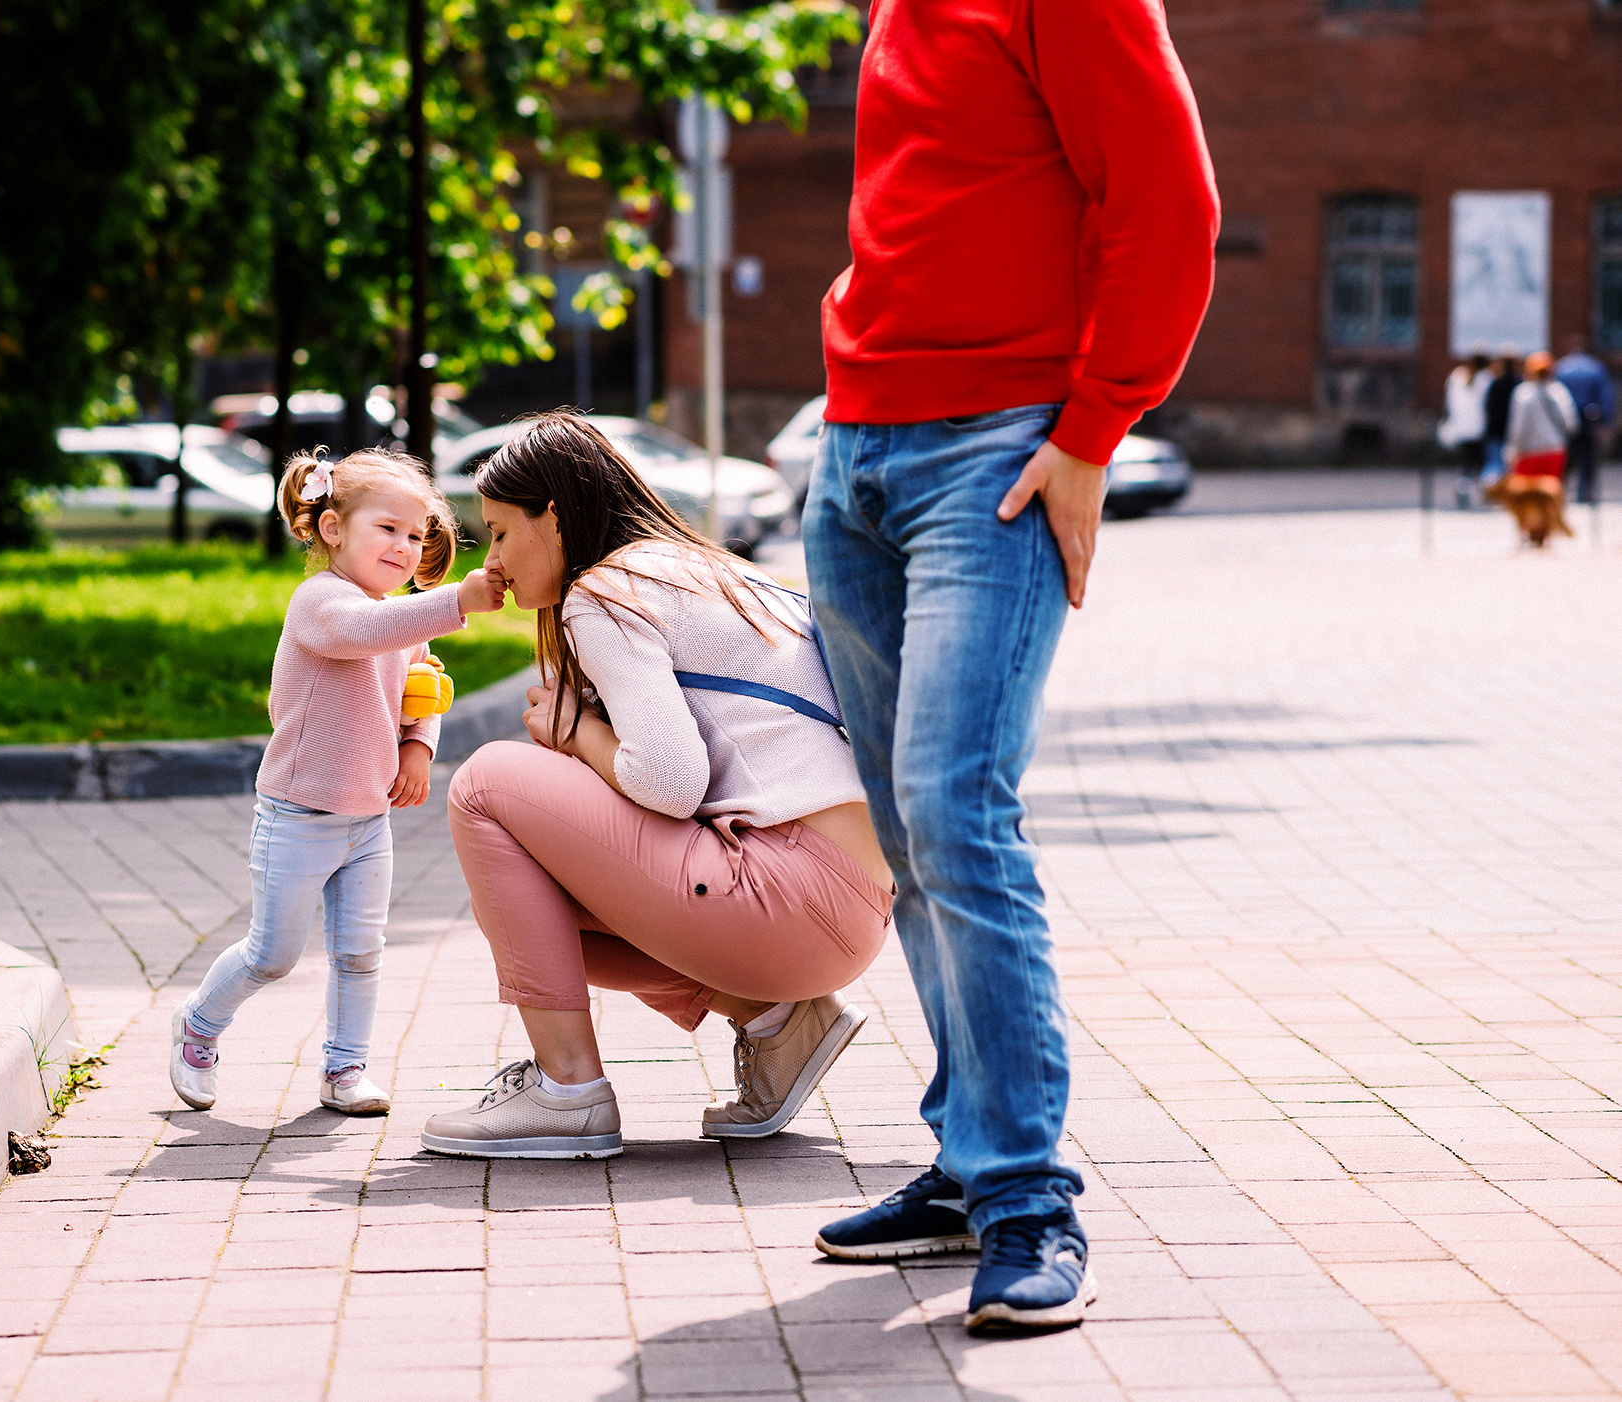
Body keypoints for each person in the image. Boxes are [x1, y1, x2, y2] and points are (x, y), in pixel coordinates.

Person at [805, 0, 1219, 1335]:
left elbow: (1168, 202)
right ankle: (968, 1159)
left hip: (996, 451)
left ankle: (1031, 1200)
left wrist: (1095, 427)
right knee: (907, 832)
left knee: (956, 808)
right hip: (857, 450)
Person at [423, 413, 894, 1161]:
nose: (498, 560)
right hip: (851, 903)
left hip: (790, 893)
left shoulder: (604, 593)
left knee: (482, 785)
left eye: (502, 532)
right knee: (532, 906)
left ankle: (567, 1089)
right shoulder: (701, 567)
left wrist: (575, 730)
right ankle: (778, 1022)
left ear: (555, 513)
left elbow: (672, 782)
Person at [169, 448, 505, 1115]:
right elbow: (362, 633)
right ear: (332, 530)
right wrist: (455, 600)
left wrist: (418, 748)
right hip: (297, 815)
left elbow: (424, 690)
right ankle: (198, 1026)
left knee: (359, 952)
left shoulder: (399, 613)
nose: (406, 548)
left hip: (366, 822)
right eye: (388, 529)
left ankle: (345, 1069)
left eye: (416, 536)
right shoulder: (322, 601)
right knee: (273, 954)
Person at [1490, 351, 1580, 547]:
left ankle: (1527, 532)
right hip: (1553, 451)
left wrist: (1512, 450)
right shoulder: (1558, 391)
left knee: (1524, 497)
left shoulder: (1523, 393)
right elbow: (1571, 423)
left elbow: (1517, 427)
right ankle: (1545, 533)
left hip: (1528, 453)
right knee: (1548, 495)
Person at [1553, 335, 1615, 506]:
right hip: (1589, 417)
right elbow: (1605, 396)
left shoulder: (1561, 367)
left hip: (1566, 416)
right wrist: (1606, 420)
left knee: (1568, 455)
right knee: (1588, 456)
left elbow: (1554, 394)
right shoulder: (1595, 367)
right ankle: (1586, 490)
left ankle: (1561, 490)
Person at [1439, 351, 1493, 509]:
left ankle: (1463, 487)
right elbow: (1487, 404)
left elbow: (1448, 402)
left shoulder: (1457, 376)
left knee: (1465, 462)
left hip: (1460, 428)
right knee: (1478, 462)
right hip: (1478, 428)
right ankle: (1476, 490)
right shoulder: (1485, 378)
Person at [1482, 352, 1523, 486]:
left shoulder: (1495, 384)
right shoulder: (1519, 383)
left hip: (1495, 429)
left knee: (1494, 464)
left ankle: (1491, 492)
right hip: (1512, 430)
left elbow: (1487, 407)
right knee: (1511, 466)